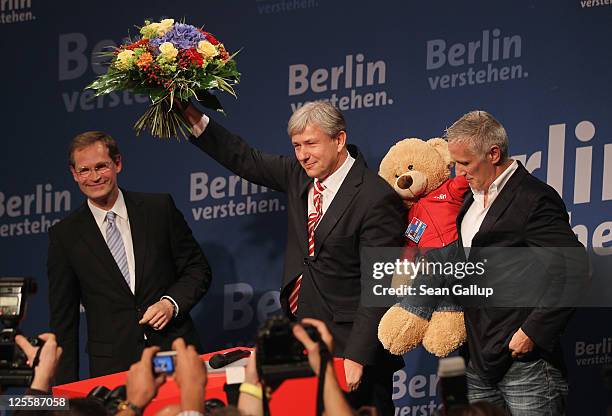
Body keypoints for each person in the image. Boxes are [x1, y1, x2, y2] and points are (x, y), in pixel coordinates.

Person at [180, 101, 406, 414]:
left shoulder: (375, 197)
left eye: (311, 144)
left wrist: (356, 357)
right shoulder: (298, 176)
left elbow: (378, 287)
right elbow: (243, 158)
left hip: (353, 348)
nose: (302, 155)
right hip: (306, 340)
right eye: (297, 146)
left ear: (339, 140)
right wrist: (187, 112)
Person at [446, 110, 584, 414]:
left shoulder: (533, 198)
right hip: (476, 362)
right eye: (455, 163)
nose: (459, 172)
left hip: (525, 366)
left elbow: (574, 269)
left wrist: (532, 332)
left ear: (494, 153)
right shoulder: (469, 200)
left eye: (465, 163)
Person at [48, 131, 212, 384]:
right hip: (113, 365)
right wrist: (65, 392)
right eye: (84, 170)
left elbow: (197, 269)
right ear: (74, 174)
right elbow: (64, 320)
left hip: (173, 349)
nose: (94, 177)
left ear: (118, 163)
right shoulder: (65, 235)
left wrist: (170, 303)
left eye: (101, 166)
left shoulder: (158, 209)